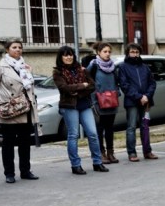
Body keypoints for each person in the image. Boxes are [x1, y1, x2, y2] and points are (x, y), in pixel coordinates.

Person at [0, 40, 39, 183]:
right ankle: (9, 173)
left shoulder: (24, 66)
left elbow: (29, 88)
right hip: (8, 111)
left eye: (20, 47)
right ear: (7, 50)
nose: (18, 49)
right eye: (14, 47)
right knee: (8, 143)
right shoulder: (0, 68)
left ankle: (25, 171)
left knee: (25, 142)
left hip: (25, 110)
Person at [53, 46, 109, 175]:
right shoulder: (58, 72)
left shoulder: (81, 69)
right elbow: (64, 88)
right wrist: (82, 85)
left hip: (84, 104)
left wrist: (77, 91)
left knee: (93, 133)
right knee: (73, 135)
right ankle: (76, 165)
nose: (69, 57)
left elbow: (92, 86)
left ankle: (97, 162)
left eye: (71, 54)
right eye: (65, 55)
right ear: (61, 57)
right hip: (69, 106)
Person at [118, 43, 157, 162]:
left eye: (137, 52)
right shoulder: (123, 67)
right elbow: (124, 85)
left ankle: (147, 151)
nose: (135, 54)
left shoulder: (145, 67)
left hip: (146, 101)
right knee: (131, 127)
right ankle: (132, 152)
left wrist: (147, 96)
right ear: (128, 53)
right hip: (132, 101)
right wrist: (139, 96)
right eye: (132, 52)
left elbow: (152, 83)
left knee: (145, 127)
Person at [87, 43, 120, 164]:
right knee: (99, 129)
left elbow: (116, 82)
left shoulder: (113, 66)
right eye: (105, 51)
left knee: (110, 128)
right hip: (98, 102)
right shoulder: (93, 66)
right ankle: (101, 153)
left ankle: (111, 152)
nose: (107, 54)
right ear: (98, 53)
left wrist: (116, 93)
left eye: (109, 52)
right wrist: (93, 99)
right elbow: (89, 83)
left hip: (112, 101)